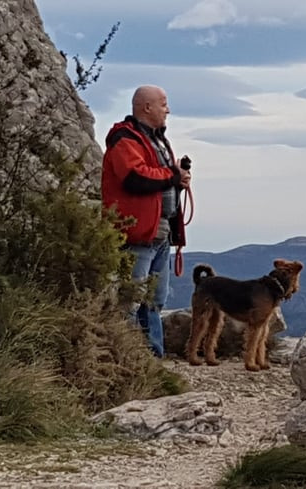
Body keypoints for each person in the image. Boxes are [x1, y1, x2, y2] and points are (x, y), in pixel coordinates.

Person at [101, 85, 191, 357]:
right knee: (131, 300)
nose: (168, 110)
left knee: (154, 301)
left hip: (159, 233)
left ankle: (153, 360)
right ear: (147, 107)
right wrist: (172, 177)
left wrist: (177, 178)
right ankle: (129, 359)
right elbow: (135, 177)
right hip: (137, 234)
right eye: (164, 104)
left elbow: (155, 174)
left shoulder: (155, 139)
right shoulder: (124, 138)